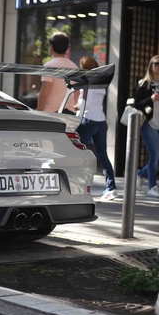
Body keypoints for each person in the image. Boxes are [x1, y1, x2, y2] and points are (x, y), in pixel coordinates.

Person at [75, 56, 117, 201]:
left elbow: (84, 104)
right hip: (101, 121)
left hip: (88, 121)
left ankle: (76, 184)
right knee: (103, 155)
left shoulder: (87, 82)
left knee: (74, 150)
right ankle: (111, 187)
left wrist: (76, 107)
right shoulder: (101, 83)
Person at [134, 55, 159, 198]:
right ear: (151, 66)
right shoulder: (144, 84)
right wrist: (150, 99)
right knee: (155, 155)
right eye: (157, 63)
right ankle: (152, 187)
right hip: (149, 123)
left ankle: (141, 173)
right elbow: (136, 103)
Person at [37, 32, 79, 113]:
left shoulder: (49, 65)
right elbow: (77, 91)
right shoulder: (73, 66)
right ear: (67, 48)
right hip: (69, 113)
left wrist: (38, 111)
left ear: (51, 47)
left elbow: (45, 92)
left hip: (52, 113)